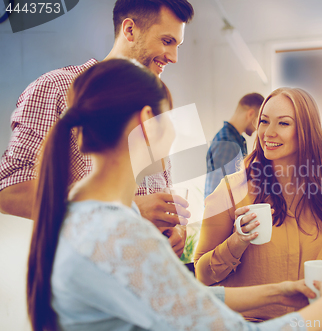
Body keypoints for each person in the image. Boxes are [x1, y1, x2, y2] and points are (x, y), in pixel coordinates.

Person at [27, 59, 322, 331]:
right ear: (148, 122)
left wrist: (283, 291)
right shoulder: (121, 234)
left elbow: (184, 300)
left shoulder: (87, 214)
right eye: (170, 118)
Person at [0, 0, 194, 257]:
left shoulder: (152, 105)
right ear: (129, 30)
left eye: (177, 46)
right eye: (167, 41)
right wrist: (127, 208)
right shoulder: (56, 88)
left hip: (145, 277)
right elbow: (10, 190)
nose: (174, 58)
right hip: (92, 271)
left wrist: (176, 231)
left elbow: (160, 195)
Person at [194, 87, 322, 321]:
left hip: (308, 320)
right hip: (245, 324)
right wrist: (237, 241)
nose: (268, 132)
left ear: (306, 131)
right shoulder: (230, 190)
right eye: (264, 121)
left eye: (283, 123)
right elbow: (202, 274)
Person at [205, 93, 265, 198]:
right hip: (224, 213)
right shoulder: (227, 143)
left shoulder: (235, 140)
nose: (258, 128)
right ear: (250, 114)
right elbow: (220, 193)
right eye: (259, 121)